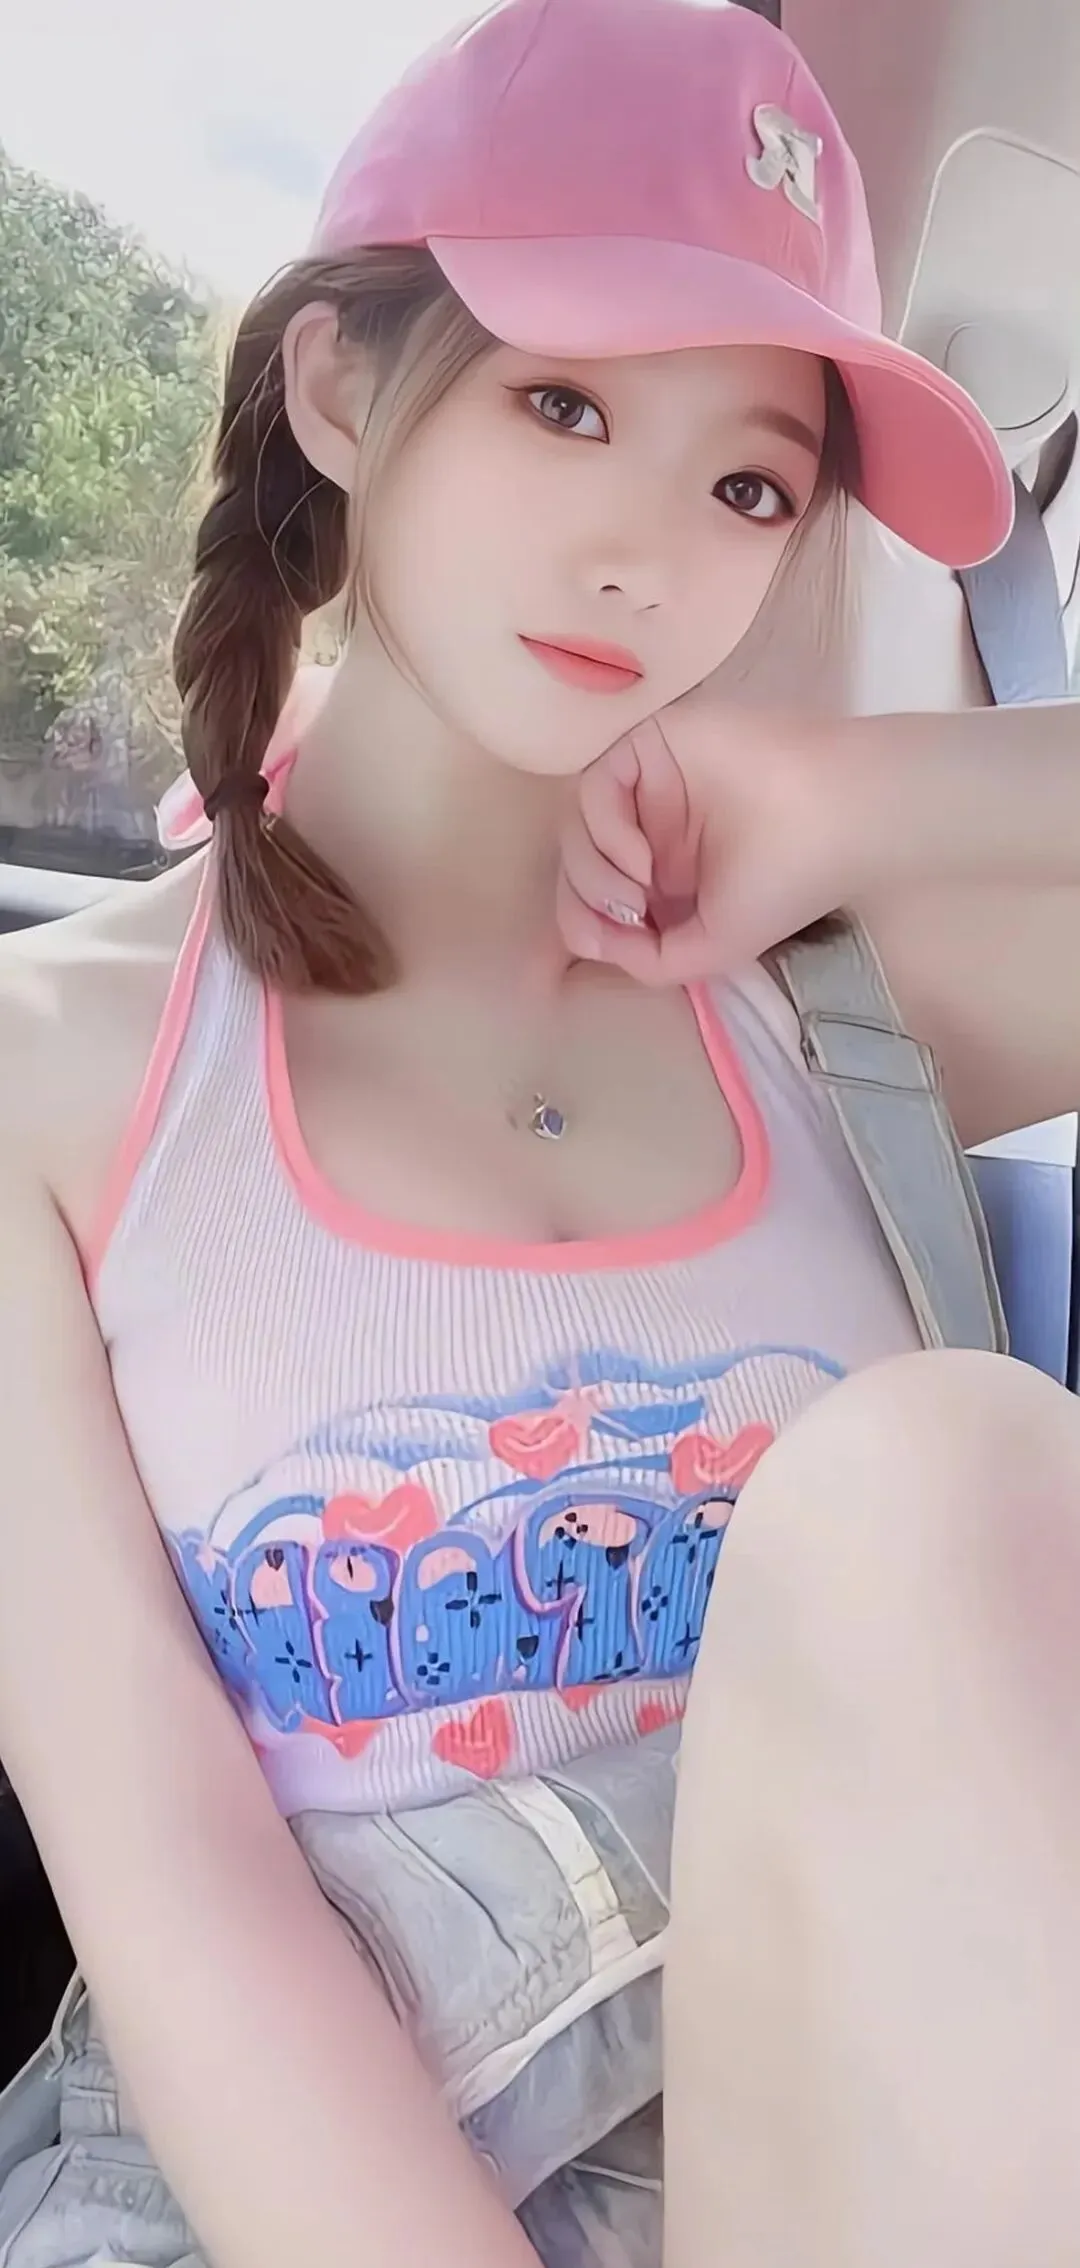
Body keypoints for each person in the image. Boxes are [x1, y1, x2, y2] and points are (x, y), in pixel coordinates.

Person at [0, 2, 1077, 2265]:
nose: (641, 554)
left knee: (954, 1478)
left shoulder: (839, 1021)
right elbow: (168, 1876)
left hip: (896, 2157)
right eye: (565, 403)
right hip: (328, 2186)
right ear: (338, 388)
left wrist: (856, 784)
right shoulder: (50, 1068)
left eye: (748, 485)